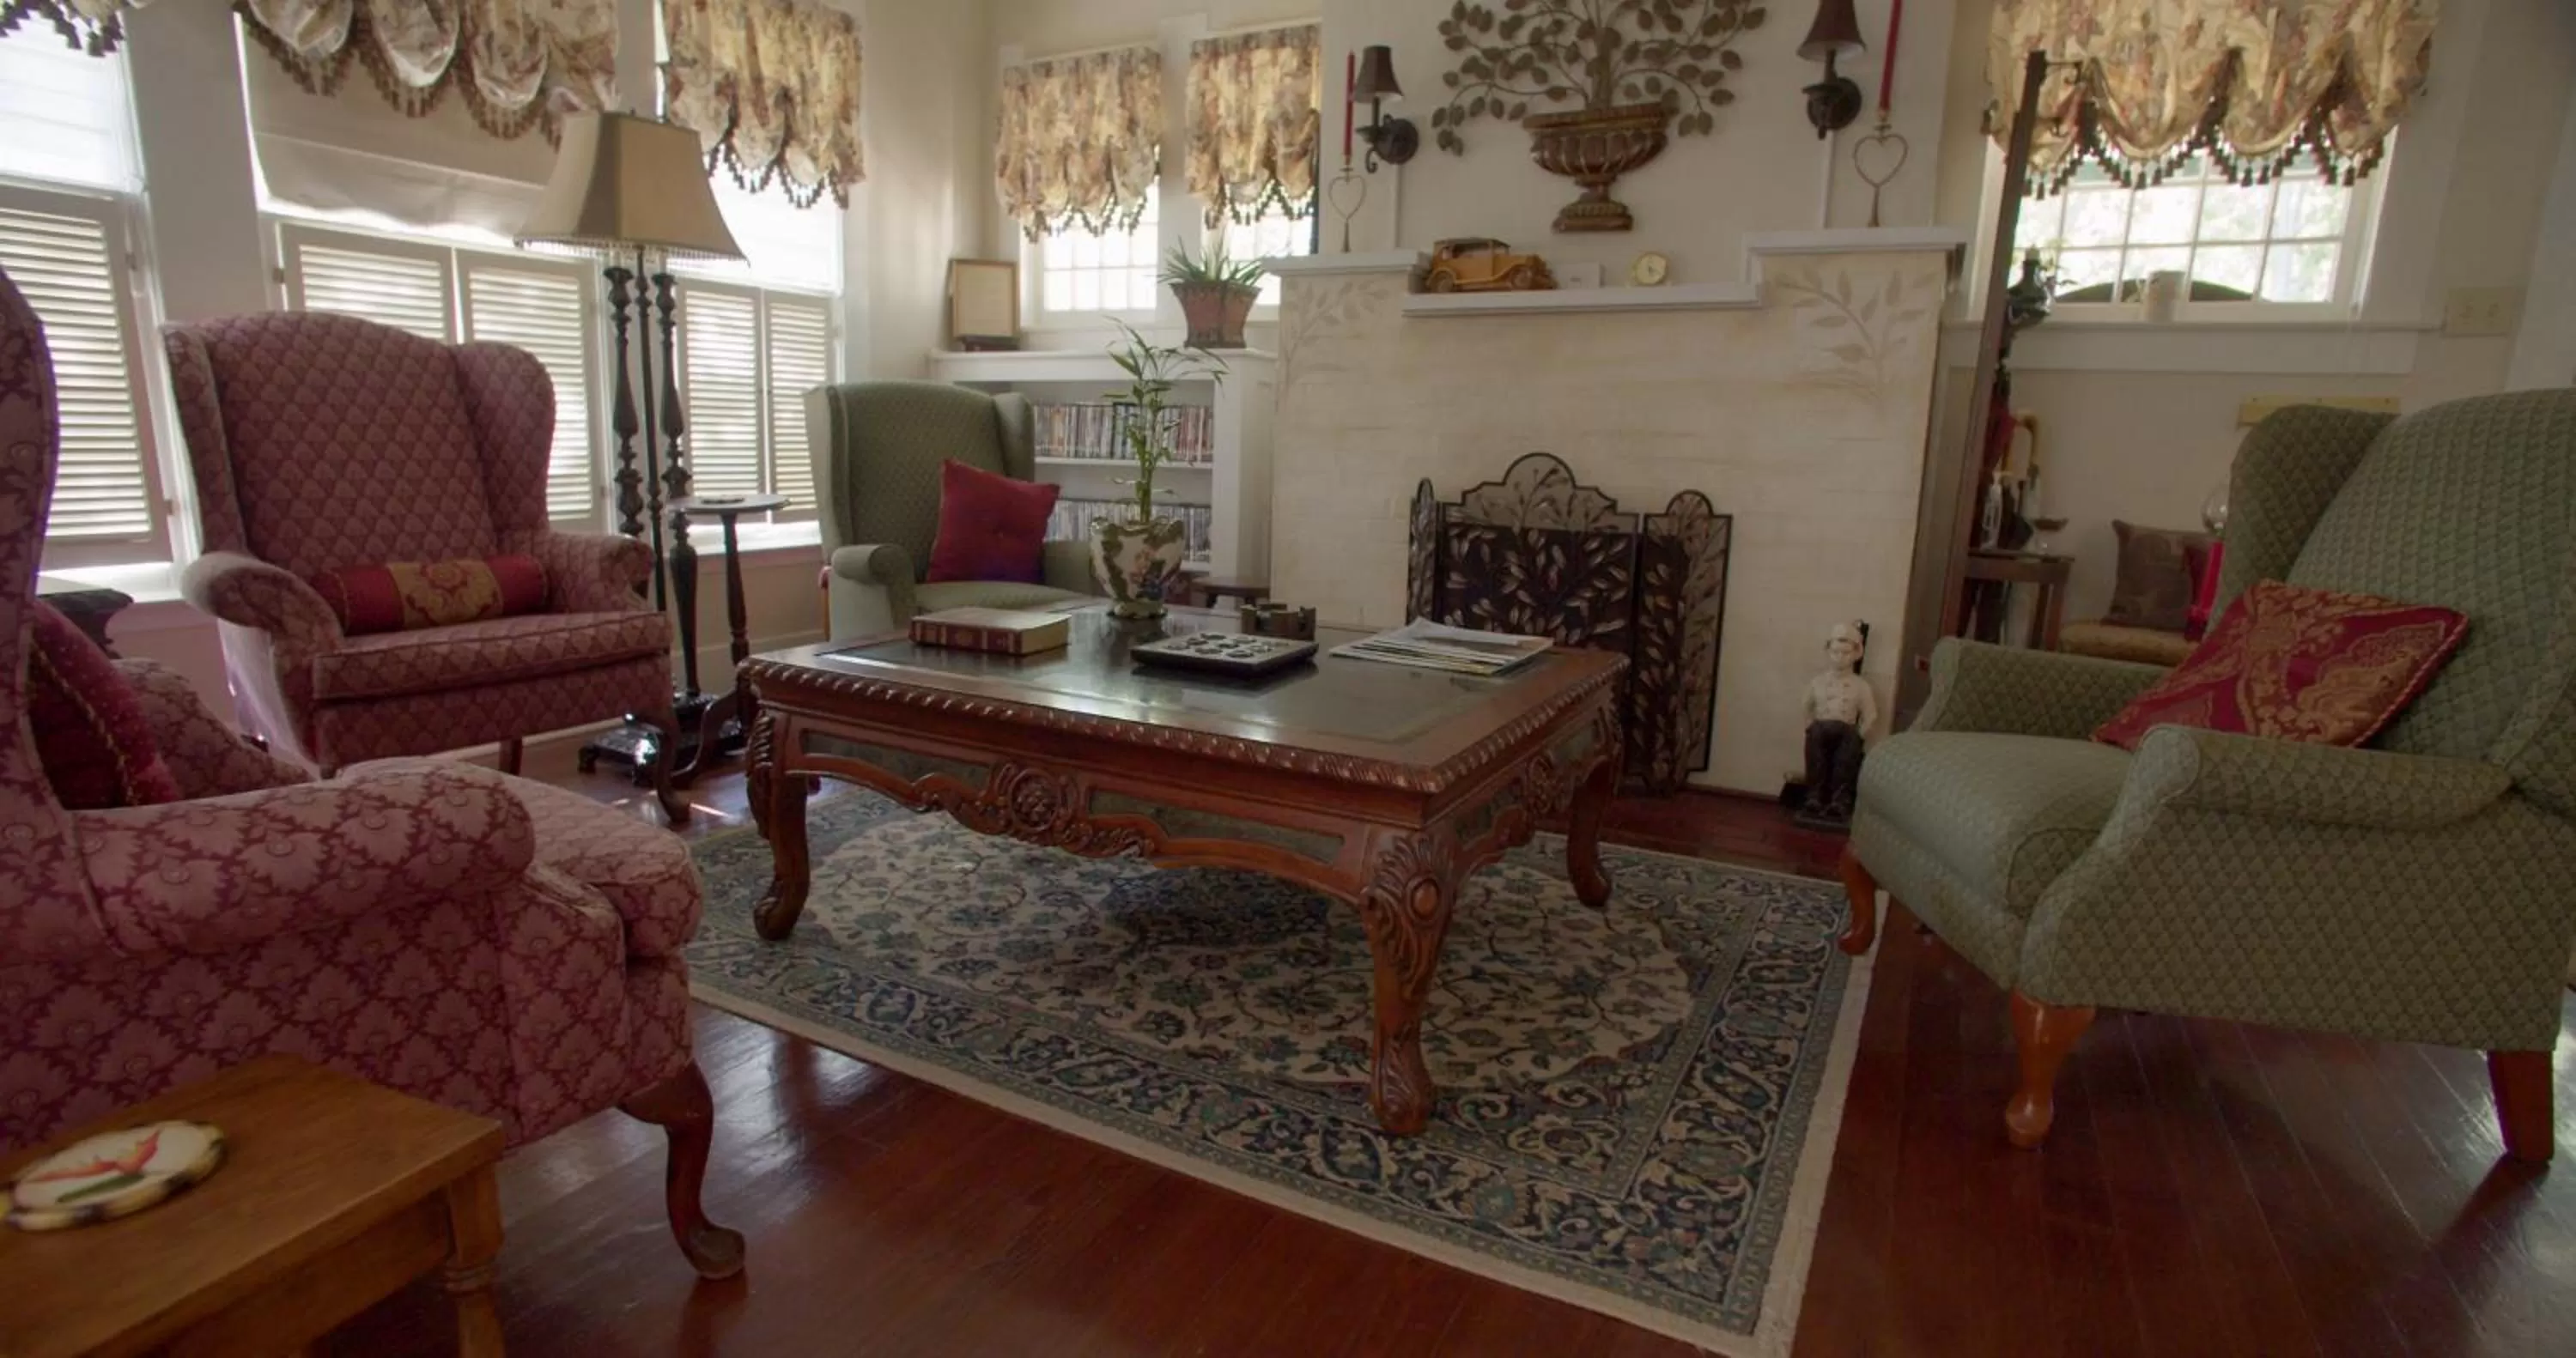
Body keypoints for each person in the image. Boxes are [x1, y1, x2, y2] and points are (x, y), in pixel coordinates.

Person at [1799, 621, 1876, 827]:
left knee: (1845, 763)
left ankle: (1840, 802)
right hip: (1820, 728)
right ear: (1828, 652)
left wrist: (1860, 735)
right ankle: (1813, 798)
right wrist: (1809, 726)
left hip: (1847, 732)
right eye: (1835, 652)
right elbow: (1806, 707)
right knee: (1816, 757)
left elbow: (1870, 715)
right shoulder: (1818, 682)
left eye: (1845, 653)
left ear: (1855, 654)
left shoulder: (1861, 686)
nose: (1840, 657)